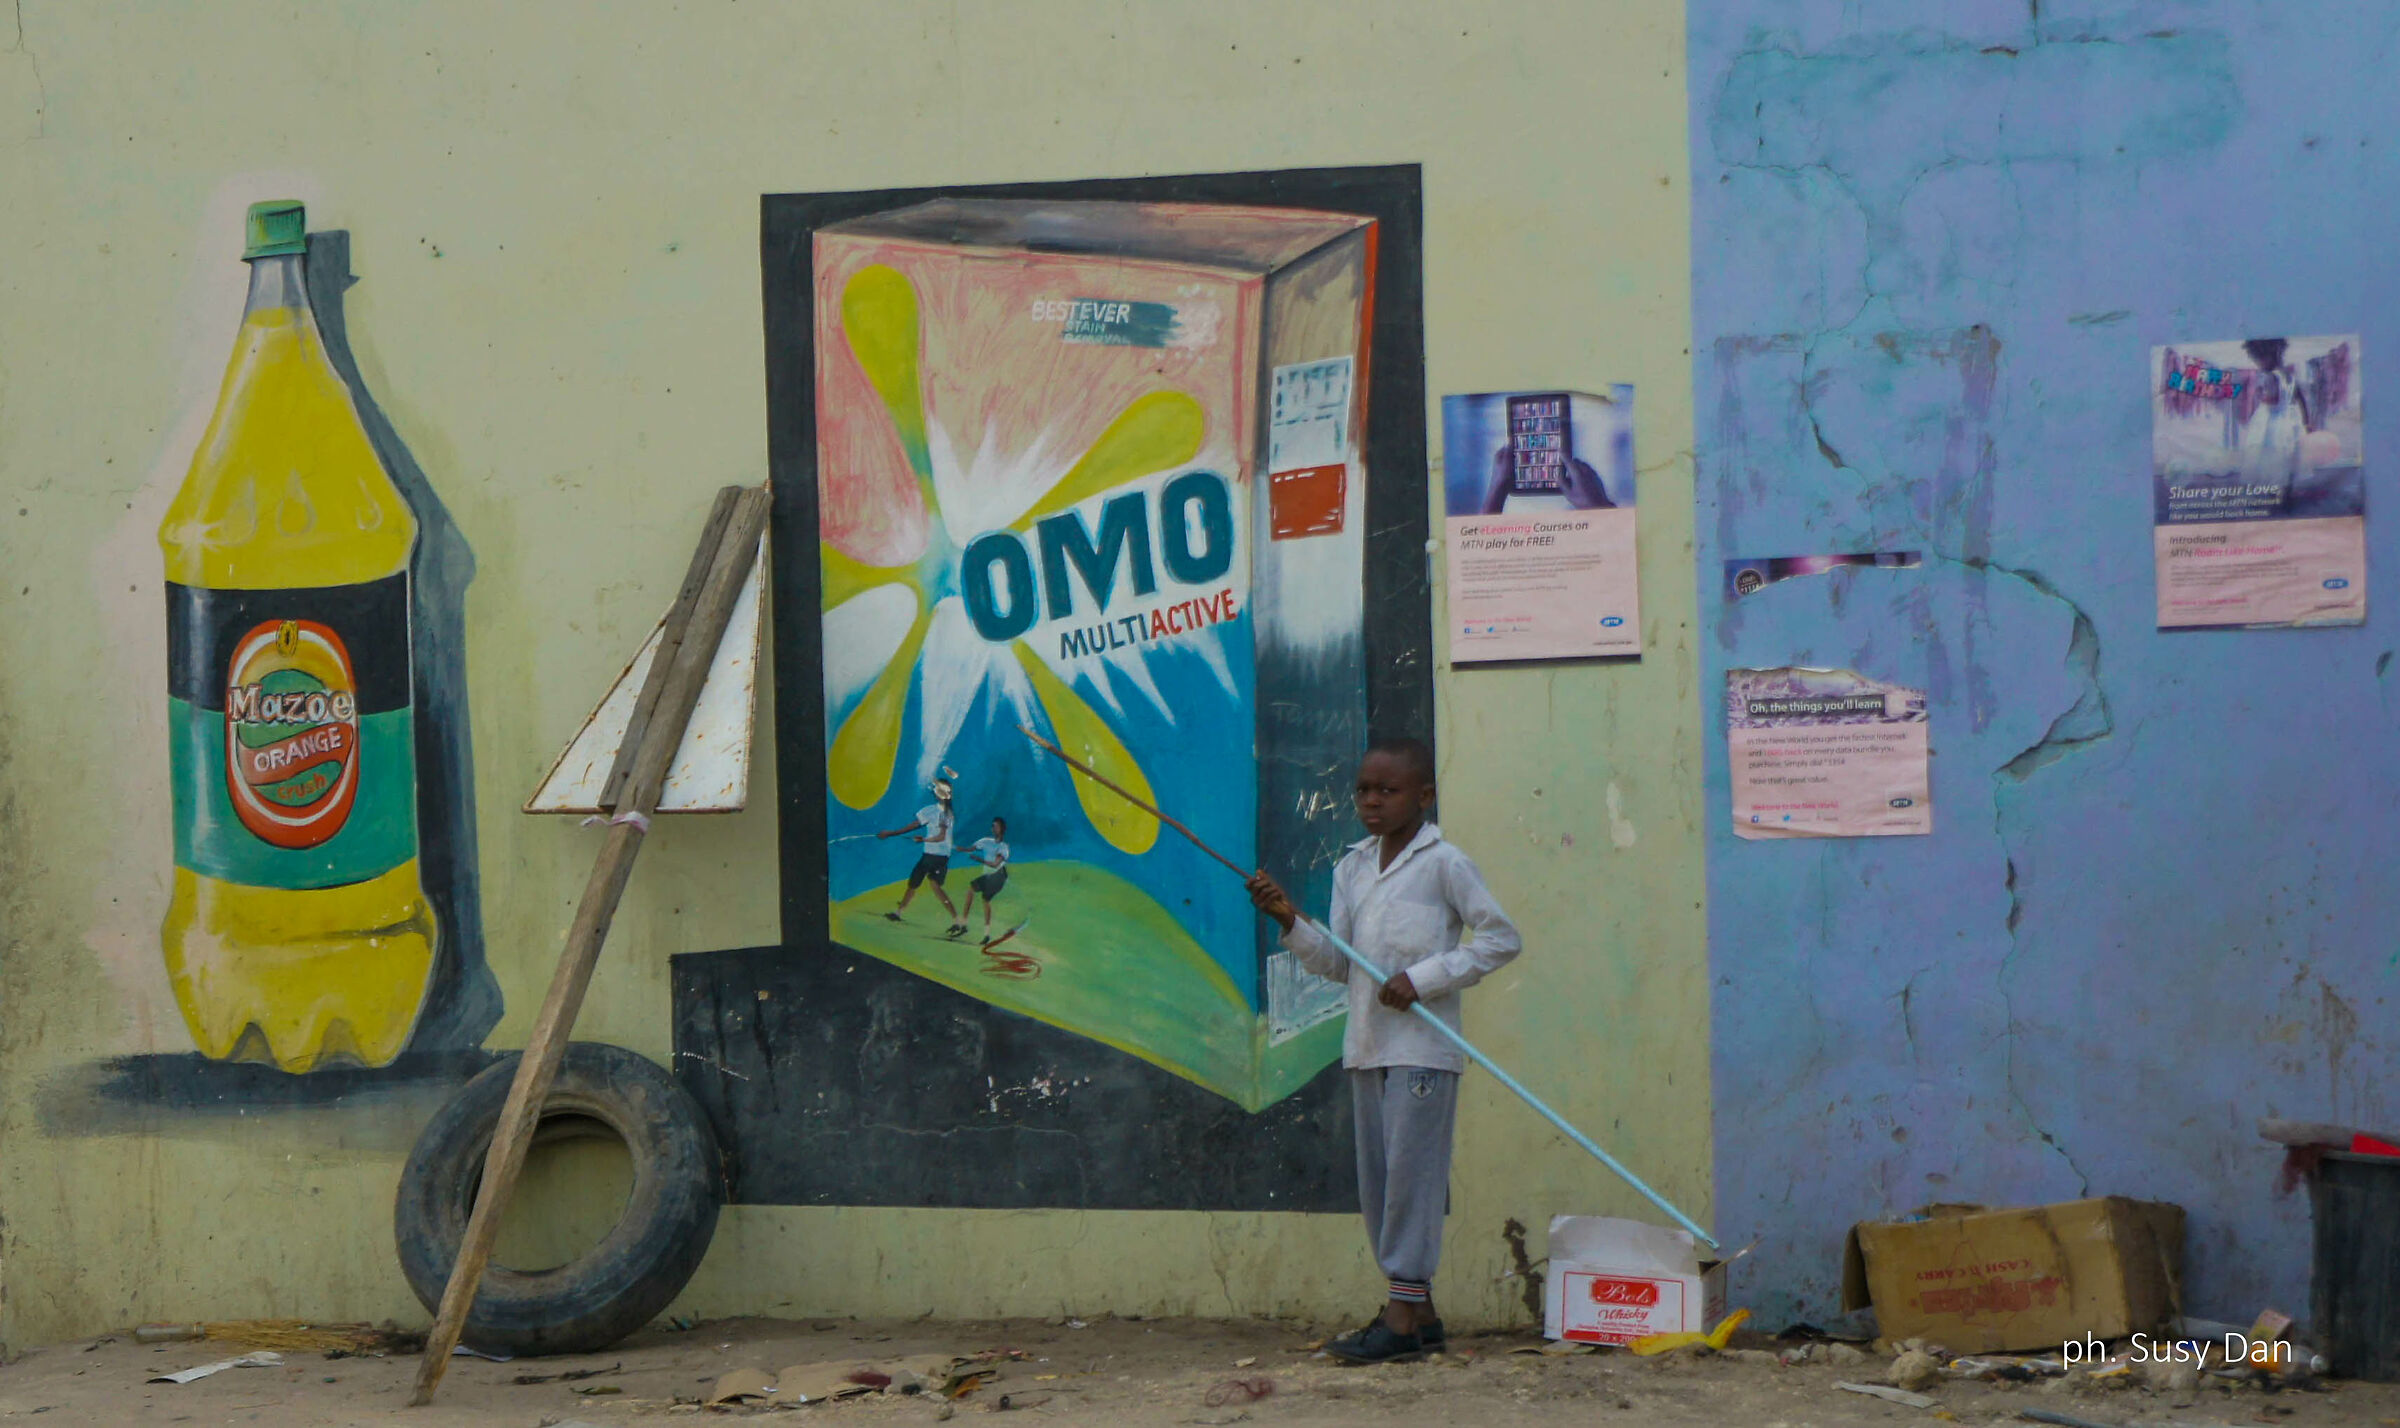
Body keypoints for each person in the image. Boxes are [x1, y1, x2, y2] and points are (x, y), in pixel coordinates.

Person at [1245, 737, 1522, 1365]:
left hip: (1424, 1047)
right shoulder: (1351, 868)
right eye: (1364, 790)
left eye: (1388, 791)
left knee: (1412, 1182)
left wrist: (1423, 978)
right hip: (1367, 1044)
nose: (1372, 801)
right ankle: (1421, 1317)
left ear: (1423, 797)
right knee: (1381, 1183)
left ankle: (1398, 1320)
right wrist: (1288, 920)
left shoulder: (1444, 863)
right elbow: (1342, 965)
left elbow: (1501, 939)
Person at [879, 779, 961, 931]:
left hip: (939, 856)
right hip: (929, 855)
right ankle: (898, 913)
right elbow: (914, 825)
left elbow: (941, 836)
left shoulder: (946, 813)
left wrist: (923, 839)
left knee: (935, 887)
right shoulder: (930, 810)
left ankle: (957, 921)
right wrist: (891, 833)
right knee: (914, 883)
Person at [955, 817, 1010, 942]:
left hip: (998, 876)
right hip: (990, 877)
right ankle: (984, 933)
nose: (993, 828)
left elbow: (995, 864)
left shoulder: (1003, 847)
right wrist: (960, 848)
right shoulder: (985, 841)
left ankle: (966, 926)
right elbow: (971, 849)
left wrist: (978, 859)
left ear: (1002, 829)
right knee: (982, 898)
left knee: (977, 893)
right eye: (993, 826)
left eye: (996, 826)